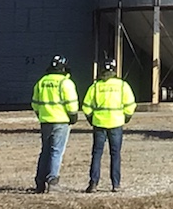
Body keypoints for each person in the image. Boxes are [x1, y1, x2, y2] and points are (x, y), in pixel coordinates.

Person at [81, 58, 137, 193]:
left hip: (99, 123)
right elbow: (130, 104)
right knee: (115, 154)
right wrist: (126, 117)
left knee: (97, 153)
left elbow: (86, 106)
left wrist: (91, 119)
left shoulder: (95, 86)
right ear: (114, 69)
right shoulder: (122, 85)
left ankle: (93, 183)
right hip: (116, 123)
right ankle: (116, 184)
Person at [30, 56, 78, 194]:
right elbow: (71, 103)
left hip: (45, 121)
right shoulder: (65, 82)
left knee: (45, 151)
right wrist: (73, 117)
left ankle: (39, 182)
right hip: (61, 121)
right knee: (56, 151)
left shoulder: (42, 82)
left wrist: (41, 114)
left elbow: (35, 103)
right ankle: (52, 181)